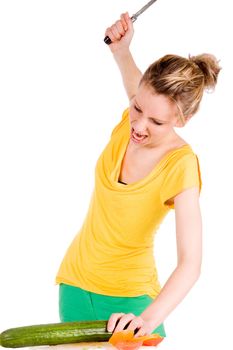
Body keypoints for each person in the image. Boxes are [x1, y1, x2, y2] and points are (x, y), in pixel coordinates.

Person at [56, 12, 220, 341]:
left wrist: (145, 319)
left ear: (181, 120)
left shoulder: (181, 165)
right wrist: (121, 49)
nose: (140, 127)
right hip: (75, 283)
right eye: (136, 108)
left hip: (131, 302)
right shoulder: (137, 115)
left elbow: (191, 264)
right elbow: (135, 82)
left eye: (157, 122)